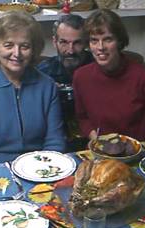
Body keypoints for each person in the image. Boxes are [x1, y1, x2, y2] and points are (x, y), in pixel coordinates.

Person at [0, 10, 66, 170]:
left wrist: (42, 172)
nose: (16, 54)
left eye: (24, 46)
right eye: (8, 45)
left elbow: (55, 141)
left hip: (39, 168)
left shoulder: (47, 86)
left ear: (33, 49)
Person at [73, 9, 145, 142]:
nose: (100, 47)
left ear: (120, 41)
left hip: (137, 152)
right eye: (94, 40)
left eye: (108, 39)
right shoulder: (81, 77)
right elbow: (82, 118)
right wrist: (95, 138)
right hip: (100, 151)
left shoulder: (143, 77)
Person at [37, 14, 93, 151]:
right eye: (64, 42)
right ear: (54, 41)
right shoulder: (42, 73)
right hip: (55, 142)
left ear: (86, 42)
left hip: (94, 140)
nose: (70, 50)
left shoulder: (98, 68)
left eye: (77, 43)